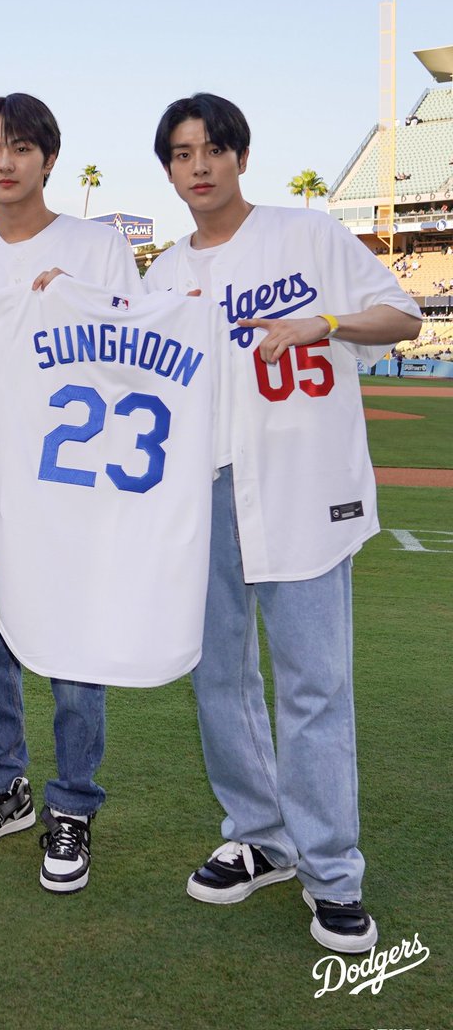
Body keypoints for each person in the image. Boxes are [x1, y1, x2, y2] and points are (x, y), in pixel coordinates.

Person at [145, 92, 421, 954]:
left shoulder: (308, 236)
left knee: (313, 685)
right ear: (169, 169)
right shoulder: (161, 275)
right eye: (183, 153)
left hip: (301, 488)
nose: (200, 165)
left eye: (213, 149)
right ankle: (261, 838)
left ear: (239, 156)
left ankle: (333, 874)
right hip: (204, 498)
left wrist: (323, 323)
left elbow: (404, 316)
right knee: (219, 679)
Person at [0, 93, 140, 892]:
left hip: (71, 493)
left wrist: (74, 311)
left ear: (47, 156)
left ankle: (72, 804)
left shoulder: (99, 247)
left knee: (76, 653)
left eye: (19, 147)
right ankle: (1, 788)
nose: (3, 162)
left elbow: (127, 353)